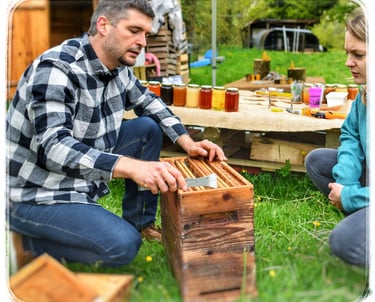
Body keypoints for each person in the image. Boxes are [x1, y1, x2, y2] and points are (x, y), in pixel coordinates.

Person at [6, 0, 226, 269]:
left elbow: (148, 101)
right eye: (134, 30)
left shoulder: (117, 66)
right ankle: (25, 241)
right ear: (103, 25)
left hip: (78, 166)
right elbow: (53, 148)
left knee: (146, 128)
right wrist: (130, 167)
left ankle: (142, 223)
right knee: (122, 245)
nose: (143, 42)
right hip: (34, 191)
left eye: (146, 33)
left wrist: (187, 142)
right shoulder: (56, 69)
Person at [305, 7, 368, 267]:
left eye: (358, 55)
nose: (347, 62)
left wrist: (350, 197)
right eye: (347, 53)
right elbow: (351, 136)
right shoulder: (365, 95)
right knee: (317, 160)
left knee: (344, 241)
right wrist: (346, 184)